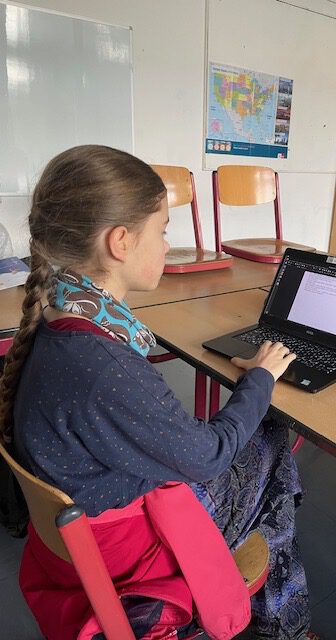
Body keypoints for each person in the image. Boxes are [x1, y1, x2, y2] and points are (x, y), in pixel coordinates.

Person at [0, 145, 318, 640]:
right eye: (163, 231)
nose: (168, 246)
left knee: (257, 448)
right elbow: (209, 457)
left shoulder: (59, 314)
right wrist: (260, 377)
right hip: (133, 548)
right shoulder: (103, 367)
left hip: (87, 522)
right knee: (273, 438)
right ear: (121, 242)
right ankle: (281, 623)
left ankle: (279, 615)